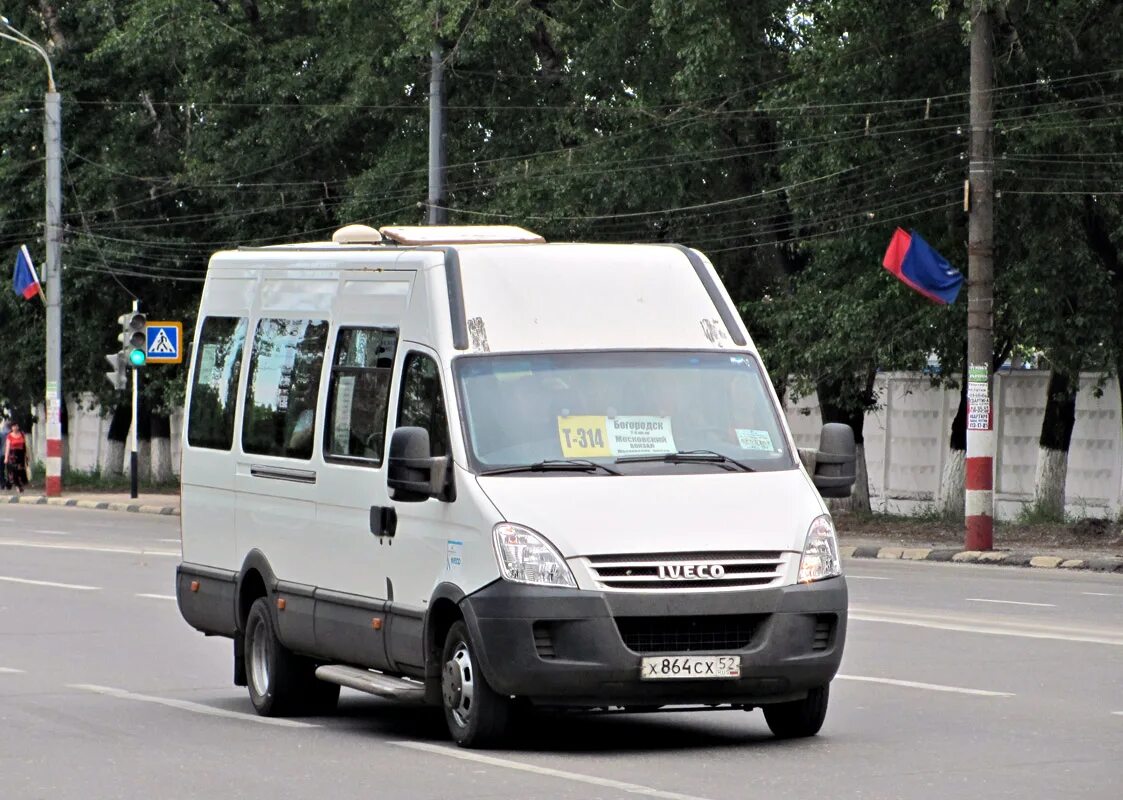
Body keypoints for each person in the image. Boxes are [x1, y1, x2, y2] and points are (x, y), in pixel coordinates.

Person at [4, 421, 27, 493]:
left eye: (16, 426)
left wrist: (27, 455)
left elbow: (25, 446)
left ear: (18, 427)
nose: (15, 428)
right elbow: (7, 447)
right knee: (14, 471)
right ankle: (17, 486)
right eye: (14, 426)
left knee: (20, 471)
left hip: (21, 455)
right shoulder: (9, 436)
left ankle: (18, 485)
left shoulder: (22, 434)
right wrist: (6, 458)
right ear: (11, 428)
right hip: (13, 455)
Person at [0, 418, 9, 490]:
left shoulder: (1, 434)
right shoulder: (10, 433)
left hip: (2, 454)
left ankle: (3, 483)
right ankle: (5, 483)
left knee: (2, 470)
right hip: (9, 453)